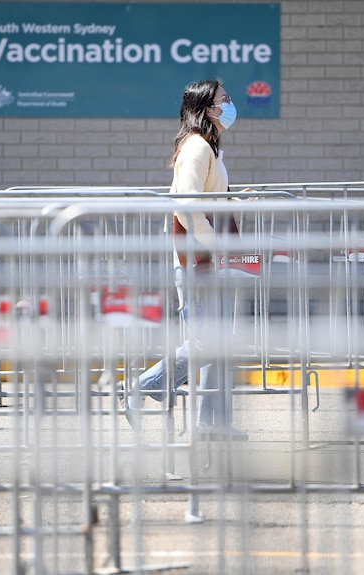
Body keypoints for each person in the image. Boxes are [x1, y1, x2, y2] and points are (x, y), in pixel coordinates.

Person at [121, 78, 247, 440]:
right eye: (225, 99)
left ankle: (211, 424)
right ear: (208, 108)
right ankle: (144, 385)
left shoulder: (207, 147)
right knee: (208, 343)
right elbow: (188, 205)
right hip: (199, 259)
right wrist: (217, 247)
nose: (230, 104)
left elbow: (206, 198)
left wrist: (237, 202)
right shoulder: (197, 148)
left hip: (205, 257)